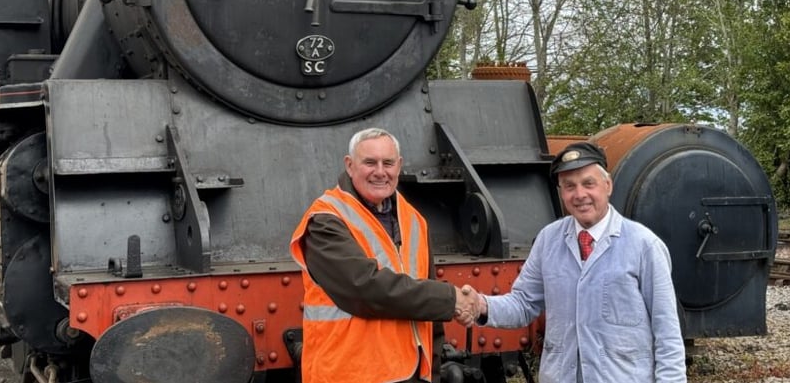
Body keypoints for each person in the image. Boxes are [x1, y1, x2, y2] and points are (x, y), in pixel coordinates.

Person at [454, 141, 686, 383]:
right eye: (569, 186)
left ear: (607, 185)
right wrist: (481, 305)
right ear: (561, 192)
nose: (579, 195)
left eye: (588, 183)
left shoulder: (644, 245)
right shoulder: (548, 239)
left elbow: (667, 333)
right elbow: (523, 304)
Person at [290, 128, 468, 383]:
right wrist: (452, 299)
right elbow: (365, 287)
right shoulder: (325, 219)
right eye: (370, 163)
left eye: (388, 163)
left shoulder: (414, 220)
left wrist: (434, 369)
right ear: (350, 166)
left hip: (409, 372)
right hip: (348, 374)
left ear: (399, 166)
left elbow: (428, 307)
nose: (380, 172)